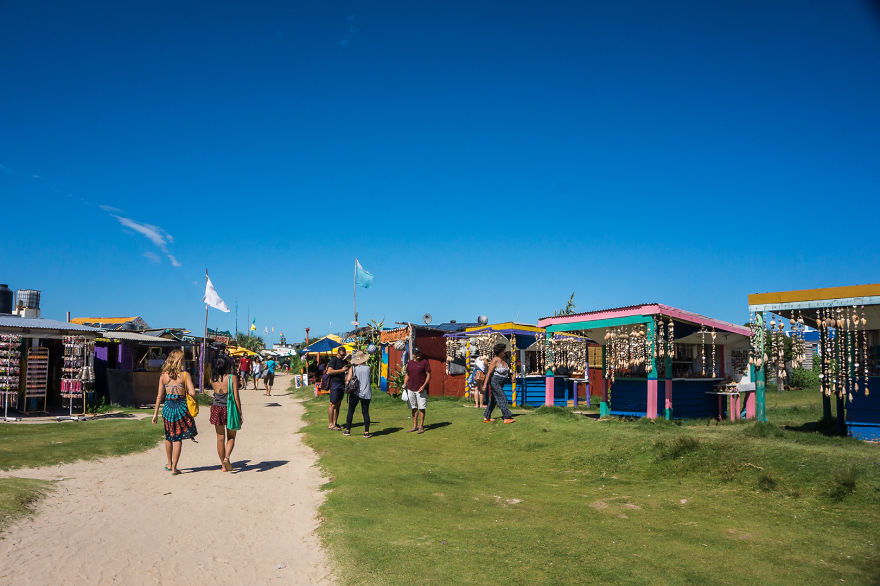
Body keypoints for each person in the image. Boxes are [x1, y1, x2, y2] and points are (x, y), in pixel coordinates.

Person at [151, 349, 198, 474]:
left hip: (167, 409)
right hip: (181, 408)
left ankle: (169, 463)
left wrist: (155, 414)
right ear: (178, 361)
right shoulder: (185, 375)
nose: (184, 361)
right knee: (178, 438)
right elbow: (192, 392)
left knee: (168, 436)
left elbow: (159, 396)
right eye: (182, 359)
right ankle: (174, 468)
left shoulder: (163, 376)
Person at [209, 353, 243, 472]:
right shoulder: (232, 378)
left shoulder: (212, 379)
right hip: (229, 409)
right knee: (231, 436)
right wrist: (240, 413)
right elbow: (236, 397)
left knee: (220, 438)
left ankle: (223, 466)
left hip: (216, 408)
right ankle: (227, 458)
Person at [482, 343, 515, 424]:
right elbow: (489, 373)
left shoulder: (505, 359)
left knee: (493, 400)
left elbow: (507, 371)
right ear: (500, 351)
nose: (505, 351)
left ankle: (486, 416)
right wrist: (485, 385)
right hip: (495, 381)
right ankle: (506, 417)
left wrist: (511, 377)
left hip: (502, 381)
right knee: (502, 397)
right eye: (504, 349)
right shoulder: (495, 360)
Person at [343, 350, 372, 438]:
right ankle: (366, 432)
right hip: (366, 393)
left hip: (355, 392)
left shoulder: (353, 368)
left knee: (351, 411)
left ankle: (348, 430)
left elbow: (348, 380)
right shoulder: (368, 368)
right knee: (365, 412)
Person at [404, 346, 431, 434]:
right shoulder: (410, 363)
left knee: (422, 408)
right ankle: (414, 426)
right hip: (411, 388)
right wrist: (404, 384)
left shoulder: (424, 362)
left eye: (419, 353)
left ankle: (421, 426)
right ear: (413, 354)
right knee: (413, 407)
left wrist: (423, 386)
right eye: (416, 353)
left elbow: (428, 375)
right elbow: (407, 374)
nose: (418, 355)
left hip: (421, 390)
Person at [325, 347, 349, 430]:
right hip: (334, 384)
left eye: (344, 355)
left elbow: (349, 365)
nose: (343, 356)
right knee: (332, 404)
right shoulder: (333, 360)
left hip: (341, 384)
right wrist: (341, 370)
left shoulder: (343, 361)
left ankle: (335, 423)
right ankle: (331, 424)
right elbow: (329, 371)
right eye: (342, 355)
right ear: (338, 353)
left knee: (338, 404)